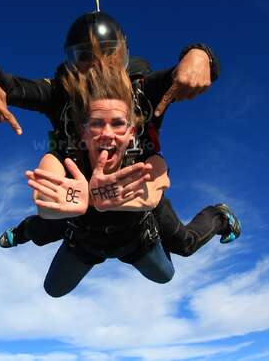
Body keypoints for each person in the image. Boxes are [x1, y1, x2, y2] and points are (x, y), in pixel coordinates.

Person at [0, 11, 241, 257]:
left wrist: (201, 56)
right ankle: (22, 232)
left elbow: (189, 72)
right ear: (72, 63)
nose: (98, 67)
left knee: (183, 244)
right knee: (46, 228)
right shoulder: (60, 95)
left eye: (109, 55)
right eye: (84, 57)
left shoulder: (144, 90)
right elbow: (8, 84)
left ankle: (219, 215)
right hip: (80, 183)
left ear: (123, 57)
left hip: (135, 185)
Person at [26, 42, 174, 297]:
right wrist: (52, 205)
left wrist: (97, 200)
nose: (107, 134)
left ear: (131, 132)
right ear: (83, 132)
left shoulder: (143, 155)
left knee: (165, 275)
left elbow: (154, 192)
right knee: (53, 289)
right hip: (85, 242)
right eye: (96, 124)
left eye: (118, 124)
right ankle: (20, 232)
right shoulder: (67, 155)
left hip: (136, 241)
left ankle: (218, 217)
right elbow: (43, 199)